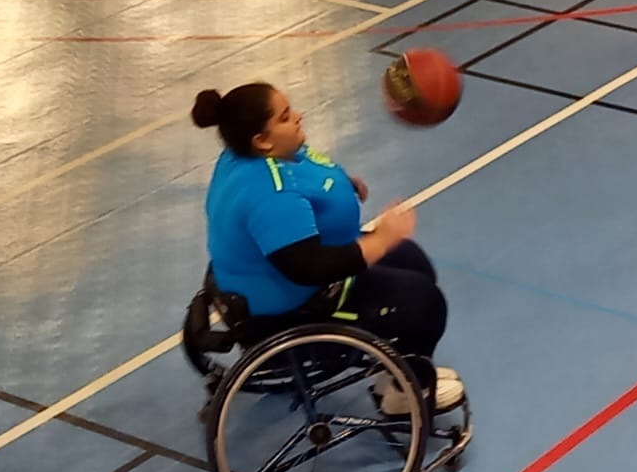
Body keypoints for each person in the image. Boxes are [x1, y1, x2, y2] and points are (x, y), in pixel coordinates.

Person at [193, 82, 465, 414]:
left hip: (268, 277)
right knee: (424, 302)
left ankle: (400, 364)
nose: (298, 116)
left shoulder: (246, 155)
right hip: (292, 309)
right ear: (262, 140)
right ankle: (405, 394)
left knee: (412, 260)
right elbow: (310, 267)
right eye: (285, 117)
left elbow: (305, 169)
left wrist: (341, 186)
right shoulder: (270, 194)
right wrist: (381, 239)